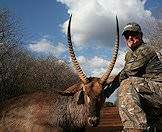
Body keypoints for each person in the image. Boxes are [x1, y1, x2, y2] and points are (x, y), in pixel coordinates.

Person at [104, 22, 162, 132]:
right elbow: (124, 73)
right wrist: (106, 92)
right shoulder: (129, 55)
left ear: (141, 35)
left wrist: (105, 89)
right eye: (127, 35)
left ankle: (134, 129)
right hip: (148, 92)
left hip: (159, 90)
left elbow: (126, 73)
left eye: (133, 34)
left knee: (127, 83)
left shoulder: (146, 50)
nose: (130, 37)